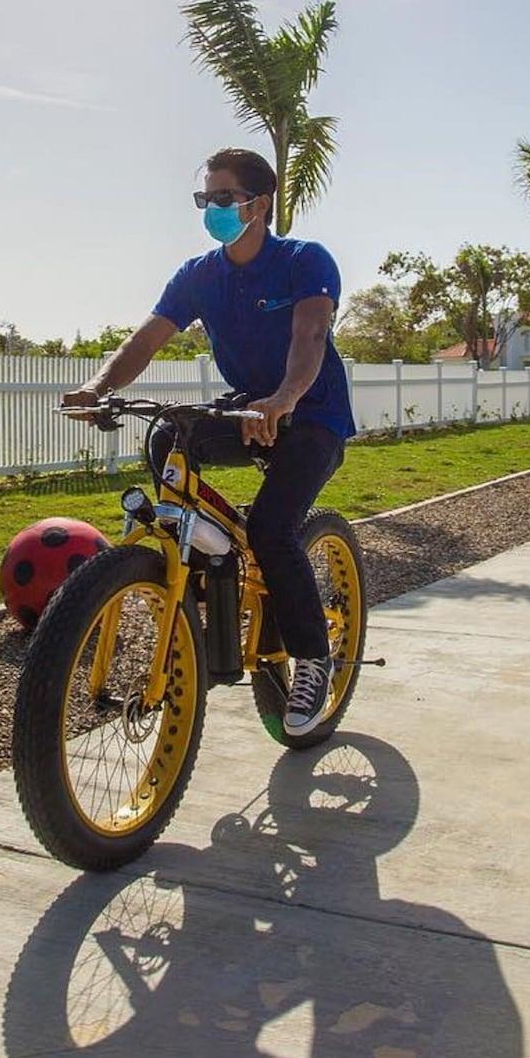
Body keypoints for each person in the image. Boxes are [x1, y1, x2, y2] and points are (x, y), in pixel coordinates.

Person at [60, 147, 356, 736]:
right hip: (251, 408)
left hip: (312, 415)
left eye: (223, 198)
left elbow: (311, 334)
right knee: (170, 435)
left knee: (274, 529)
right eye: (205, 199)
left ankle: (314, 659)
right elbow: (147, 338)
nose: (212, 209)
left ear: (260, 204)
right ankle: (203, 559)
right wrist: (98, 386)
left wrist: (285, 399)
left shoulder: (303, 260)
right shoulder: (200, 275)